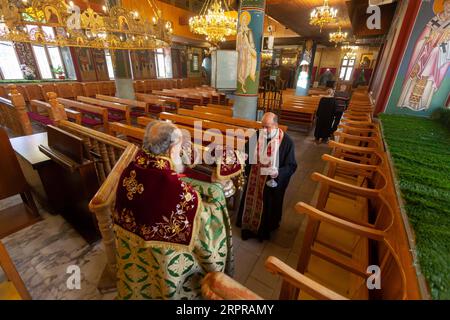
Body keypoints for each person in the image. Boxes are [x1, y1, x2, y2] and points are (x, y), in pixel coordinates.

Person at [113, 121, 234, 299]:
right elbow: (206, 235)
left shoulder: (129, 172)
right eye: (179, 146)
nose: (180, 151)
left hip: (136, 264)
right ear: (171, 150)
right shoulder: (176, 192)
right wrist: (217, 198)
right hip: (165, 270)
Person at [237, 112, 297, 241]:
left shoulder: (286, 142)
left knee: (267, 205)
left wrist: (278, 173)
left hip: (270, 183)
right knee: (250, 201)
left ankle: (262, 231)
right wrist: (244, 156)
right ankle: (247, 227)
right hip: (254, 178)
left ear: (276, 125)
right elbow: (246, 150)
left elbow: (291, 166)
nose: (264, 130)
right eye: (262, 126)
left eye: (267, 127)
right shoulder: (257, 135)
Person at [397, 0, 450, 111]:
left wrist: (440, 47)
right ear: (443, 5)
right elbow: (423, 37)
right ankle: (407, 101)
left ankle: (422, 105)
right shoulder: (434, 20)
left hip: (437, 56)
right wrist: (426, 41)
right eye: (447, 4)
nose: (449, 7)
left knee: (428, 78)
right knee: (417, 74)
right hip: (425, 52)